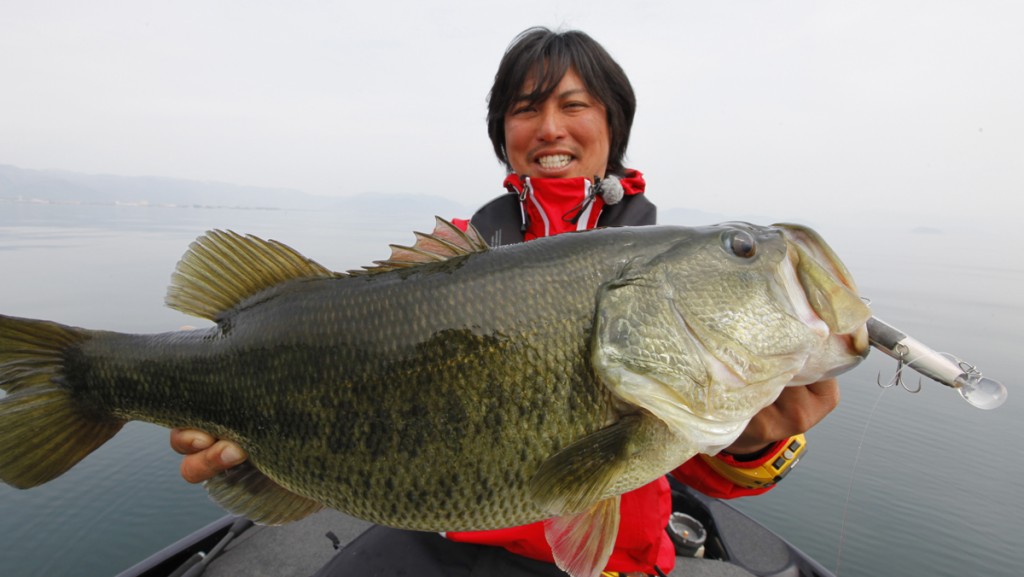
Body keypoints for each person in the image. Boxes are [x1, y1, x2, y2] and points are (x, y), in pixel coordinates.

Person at [170, 27, 840, 576]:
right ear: (504, 134)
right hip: (445, 540)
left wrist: (754, 439)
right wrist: (261, 442)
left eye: (574, 105)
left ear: (613, 125)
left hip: (613, 561)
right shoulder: (448, 270)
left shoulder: (664, 273)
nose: (549, 127)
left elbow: (701, 461)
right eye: (525, 109)